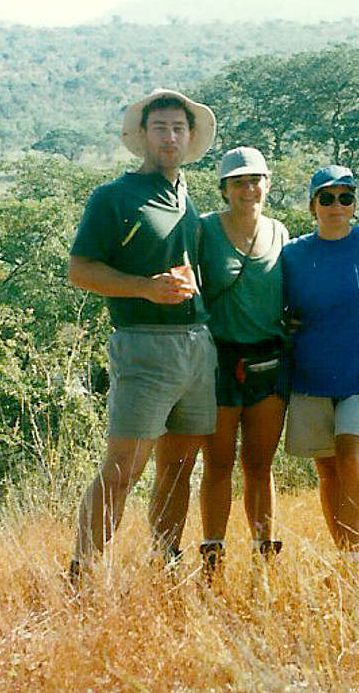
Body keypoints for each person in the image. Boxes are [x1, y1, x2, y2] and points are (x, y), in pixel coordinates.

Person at [66, 88, 218, 583]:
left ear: (190, 136)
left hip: (196, 344)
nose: (170, 136)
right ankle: (83, 569)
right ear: (142, 136)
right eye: (161, 128)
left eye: (178, 128)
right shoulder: (114, 197)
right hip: (142, 344)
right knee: (124, 467)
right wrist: (146, 290)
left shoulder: (185, 195)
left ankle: (166, 559)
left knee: (179, 466)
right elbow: (80, 270)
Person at [282, 165, 359, 562]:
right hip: (313, 375)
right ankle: (345, 556)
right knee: (329, 472)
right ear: (313, 204)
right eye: (326, 197)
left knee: (352, 459)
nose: (336, 205)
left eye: (345, 197)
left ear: (355, 203)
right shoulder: (292, 255)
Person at [197, 146, 290, 577]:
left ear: (267, 184)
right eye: (238, 182)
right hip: (218, 360)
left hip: (268, 360)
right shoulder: (204, 231)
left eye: (255, 181)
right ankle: (213, 557)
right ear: (224, 189)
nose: (248, 189)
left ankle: (263, 557)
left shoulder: (280, 232)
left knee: (259, 465)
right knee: (217, 464)